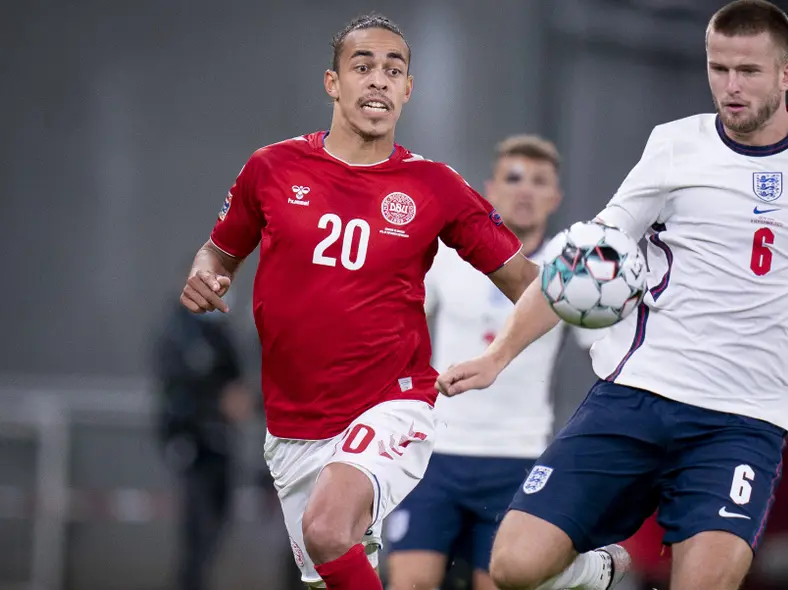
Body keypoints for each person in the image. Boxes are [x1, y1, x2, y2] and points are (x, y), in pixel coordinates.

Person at [435, 1, 788, 590]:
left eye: (748, 71)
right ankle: (600, 572)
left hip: (742, 424)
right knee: (512, 567)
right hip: (636, 397)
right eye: (719, 68)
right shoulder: (674, 146)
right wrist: (497, 356)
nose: (731, 87)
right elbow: (582, 265)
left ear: (786, 73)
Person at [178, 13, 542, 590]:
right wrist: (206, 274)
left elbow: (533, 285)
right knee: (334, 569)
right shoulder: (271, 168)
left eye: (393, 70)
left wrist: (498, 357)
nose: (378, 80)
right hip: (293, 428)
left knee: (326, 530)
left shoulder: (435, 186)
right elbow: (218, 254)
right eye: (363, 66)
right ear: (333, 82)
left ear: (408, 89)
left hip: (391, 403)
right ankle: (578, 573)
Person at [385, 135, 613, 590]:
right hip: (434, 450)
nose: (524, 190)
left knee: (501, 583)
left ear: (555, 197)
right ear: (490, 190)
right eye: (513, 178)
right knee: (409, 582)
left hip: (518, 456)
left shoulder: (569, 268)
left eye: (538, 181)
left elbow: (608, 353)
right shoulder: (448, 254)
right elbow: (395, 326)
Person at [152, 298, 254, 590]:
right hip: (193, 446)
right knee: (197, 530)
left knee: (217, 526)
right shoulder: (178, 332)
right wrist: (217, 403)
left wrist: (237, 400)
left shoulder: (220, 333)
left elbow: (235, 379)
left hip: (221, 444)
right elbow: (177, 390)